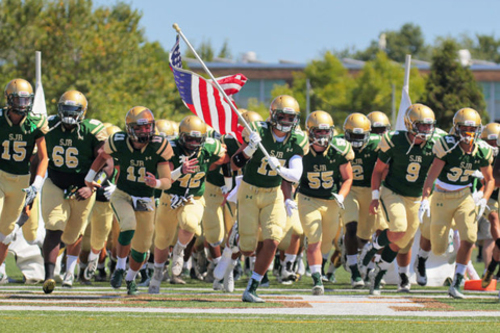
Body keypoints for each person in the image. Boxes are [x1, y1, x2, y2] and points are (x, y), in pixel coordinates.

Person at [85, 106, 173, 295]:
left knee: (142, 247)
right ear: (130, 129)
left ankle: (130, 278)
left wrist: (155, 182)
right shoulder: (118, 141)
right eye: (139, 128)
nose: (144, 131)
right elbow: (102, 156)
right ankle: (119, 267)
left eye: (147, 127)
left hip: (146, 198)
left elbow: (167, 181)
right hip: (123, 194)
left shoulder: (159, 145)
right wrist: (90, 177)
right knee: (128, 223)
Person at [230, 95, 308, 303]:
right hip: (249, 191)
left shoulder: (297, 139)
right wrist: (249, 149)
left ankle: (252, 287)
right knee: (247, 248)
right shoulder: (257, 131)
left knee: (273, 238)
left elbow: (296, 175)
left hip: (273, 193)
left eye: (290, 117)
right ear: (273, 115)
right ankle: (237, 235)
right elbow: (234, 164)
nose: (286, 121)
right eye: (282, 116)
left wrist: (280, 169)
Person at [363, 103, 438, 295]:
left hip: (416, 197)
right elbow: (378, 171)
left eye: (428, 126)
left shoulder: (437, 142)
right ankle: (374, 245)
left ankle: (378, 275)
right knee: (397, 229)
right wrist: (374, 197)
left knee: (401, 242)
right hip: (393, 192)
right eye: (421, 125)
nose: (426, 130)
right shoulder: (394, 140)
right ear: (410, 124)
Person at [148, 115, 228, 293]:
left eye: (196, 139)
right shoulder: (170, 148)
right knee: (161, 240)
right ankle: (157, 274)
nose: (192, 143)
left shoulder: (209, 147)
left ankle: (179, 251)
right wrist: (180, 170)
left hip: (194, 197)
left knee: (190, 224)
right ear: (180, 136)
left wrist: (211, 167)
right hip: (170, 197)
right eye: (188, 139)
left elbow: (224, 158)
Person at [420, 108, 494, 299]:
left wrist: (484, 197)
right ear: (456, 129)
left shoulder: (482, 149)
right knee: (438, 248)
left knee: (470, 238)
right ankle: (425, 256)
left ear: (477, 130)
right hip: (442, 196)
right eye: (464, 129)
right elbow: (431, 176)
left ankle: (457, 282)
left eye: (472, 129)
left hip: (464, 196)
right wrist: (425, 198)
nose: (468, 134)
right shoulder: (447, 146)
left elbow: (490, 179)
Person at [41, 90, 108, 294]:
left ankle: (66, 269)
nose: (69, 115)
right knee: (54, 227)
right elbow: (35, 151)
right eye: (66, 110)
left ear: (83, 112)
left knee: (72, 235)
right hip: (56, 182)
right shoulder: (48, 125)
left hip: (83, 186)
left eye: (74, 110)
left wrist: (92, 185)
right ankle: (49, 277)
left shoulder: (92, 129)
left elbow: (107, 164)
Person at [298, 110, 353, 294]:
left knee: (327, 242)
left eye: (326, 131)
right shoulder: (302, 148)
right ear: (310, 132)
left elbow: (347, 178)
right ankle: (316, 280)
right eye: (318, 132)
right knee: (314, 238)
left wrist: (342, 195)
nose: (323, 136)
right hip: (308, 197)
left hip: (330, 200)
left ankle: (319, 269)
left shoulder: (338, 149)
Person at [0, 78, 48, 282]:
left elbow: (44, 157)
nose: (23, 105)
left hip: (21, 181)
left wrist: (36, 184)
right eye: (18, 101)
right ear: (8, 100)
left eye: (26, 101)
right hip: (0, 175)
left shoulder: (35, 122)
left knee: (6, 233)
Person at [340, 113, 380, 287]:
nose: (356, 140)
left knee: (364, 237)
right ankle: (354, 270)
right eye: (353, 135)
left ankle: (355, 257)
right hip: (349, 189)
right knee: (351, 226)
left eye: (360, 136)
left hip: (369, 191)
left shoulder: (377, 144)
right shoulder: (338, 143)